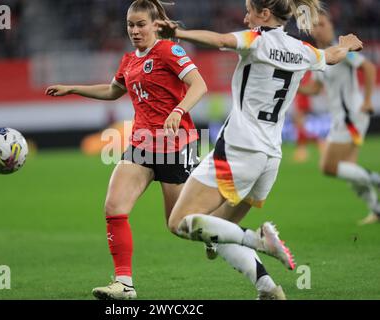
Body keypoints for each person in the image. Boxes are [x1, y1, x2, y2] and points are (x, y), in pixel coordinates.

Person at [156, 0, 364, 299]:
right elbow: (332, 56)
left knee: (178, 222)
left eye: (249, 11)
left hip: (239, 148)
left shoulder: (256, 40)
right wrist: (347, 44)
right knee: (216, 231)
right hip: (270, 157)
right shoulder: (301, 49)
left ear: (264, 14)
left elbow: (219, 40)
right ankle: (267, 288)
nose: (245, 17)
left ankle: (258, 240)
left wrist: (178, 32)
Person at [46, 0, 208, 300]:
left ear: (155, 24)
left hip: (175, 143)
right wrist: (73, 88)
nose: (134, 30)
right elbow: (112, 91)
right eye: (130, 25)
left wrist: (178, 110)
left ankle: (216, 231)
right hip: (141, 144)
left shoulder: (170, 51)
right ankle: (124, 284)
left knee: (179, 225)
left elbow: (199, 85)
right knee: (114, 207)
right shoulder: (129, 60)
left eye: (141, 24)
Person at [298, 11, 379, 225]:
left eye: (323, 24)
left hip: (351, 116)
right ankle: (377, 209)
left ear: (331, 26)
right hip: (342, 119)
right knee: (350, 171)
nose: (319, 28)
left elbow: (368, 67)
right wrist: (294, 86)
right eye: (315, 25)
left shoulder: (343, 51)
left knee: (328, 166)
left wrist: (368, 100)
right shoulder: (321, 56)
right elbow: (315, 89)